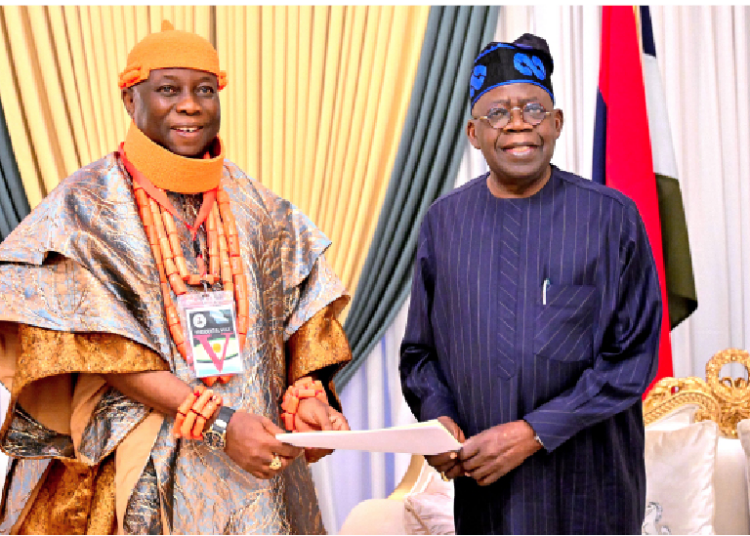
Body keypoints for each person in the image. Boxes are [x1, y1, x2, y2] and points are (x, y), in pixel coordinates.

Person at [0, 21, 352, 535]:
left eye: (204, 90)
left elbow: (304, 319)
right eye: (168, 89)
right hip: (144, 460)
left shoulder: (260, 209)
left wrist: (308, 396)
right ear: (129, 99)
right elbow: (95, 346)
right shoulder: (86, 206)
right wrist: (222, 424)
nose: (189, 104)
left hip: (257, 470)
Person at [400, 33, 661, 535]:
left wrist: (533, 433)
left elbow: (632, 359)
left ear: (557, 123)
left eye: (533, 109)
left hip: (592, 492)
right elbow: (420, 354)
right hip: (487, 496)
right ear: (474, 133)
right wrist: (440, 421)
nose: (517, 123)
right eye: (498, 112)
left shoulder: (612, 218)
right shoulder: (443, 223)